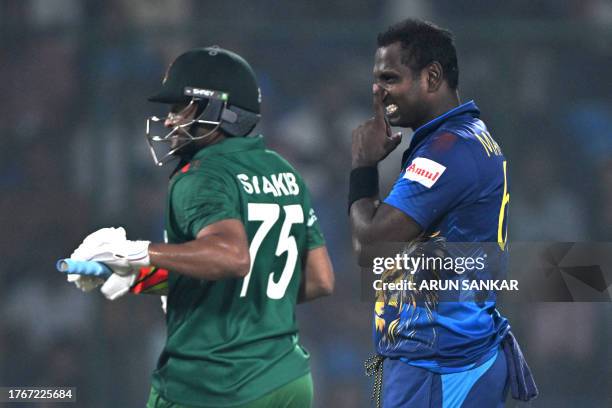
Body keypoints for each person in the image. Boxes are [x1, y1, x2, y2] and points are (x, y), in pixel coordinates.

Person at [64, 46, 334, 408]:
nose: (169, 120)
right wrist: (139, 276)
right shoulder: (285, 172)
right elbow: (318, 279)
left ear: (215, 110)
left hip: (214, 383)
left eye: (179, 107)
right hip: (288, 381)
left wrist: (137, 251)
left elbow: (232, 256)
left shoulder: (201, 175)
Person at [349, 19, 537, 407]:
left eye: (389, 77)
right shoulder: (462, 138)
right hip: (450, 357)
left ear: (431, 77)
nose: (377, 91)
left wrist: (362, 165)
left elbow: (371, 247)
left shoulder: (447, 149)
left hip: (440, 365)